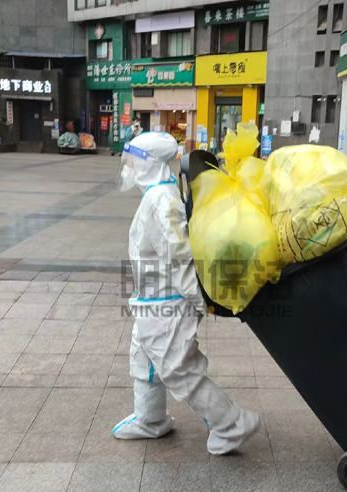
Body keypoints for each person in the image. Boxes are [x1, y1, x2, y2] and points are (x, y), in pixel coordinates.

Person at [114, 132, 260, 454]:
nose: (127, 167)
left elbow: (179, 254)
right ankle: (150, 419)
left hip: (167, 302)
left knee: (178, 368)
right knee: (144, 360)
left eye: (131, 160)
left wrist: (196, 300)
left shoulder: (160, 199)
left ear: (149, 163)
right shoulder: (157, 193)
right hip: (151, 301)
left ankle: (231, 423)